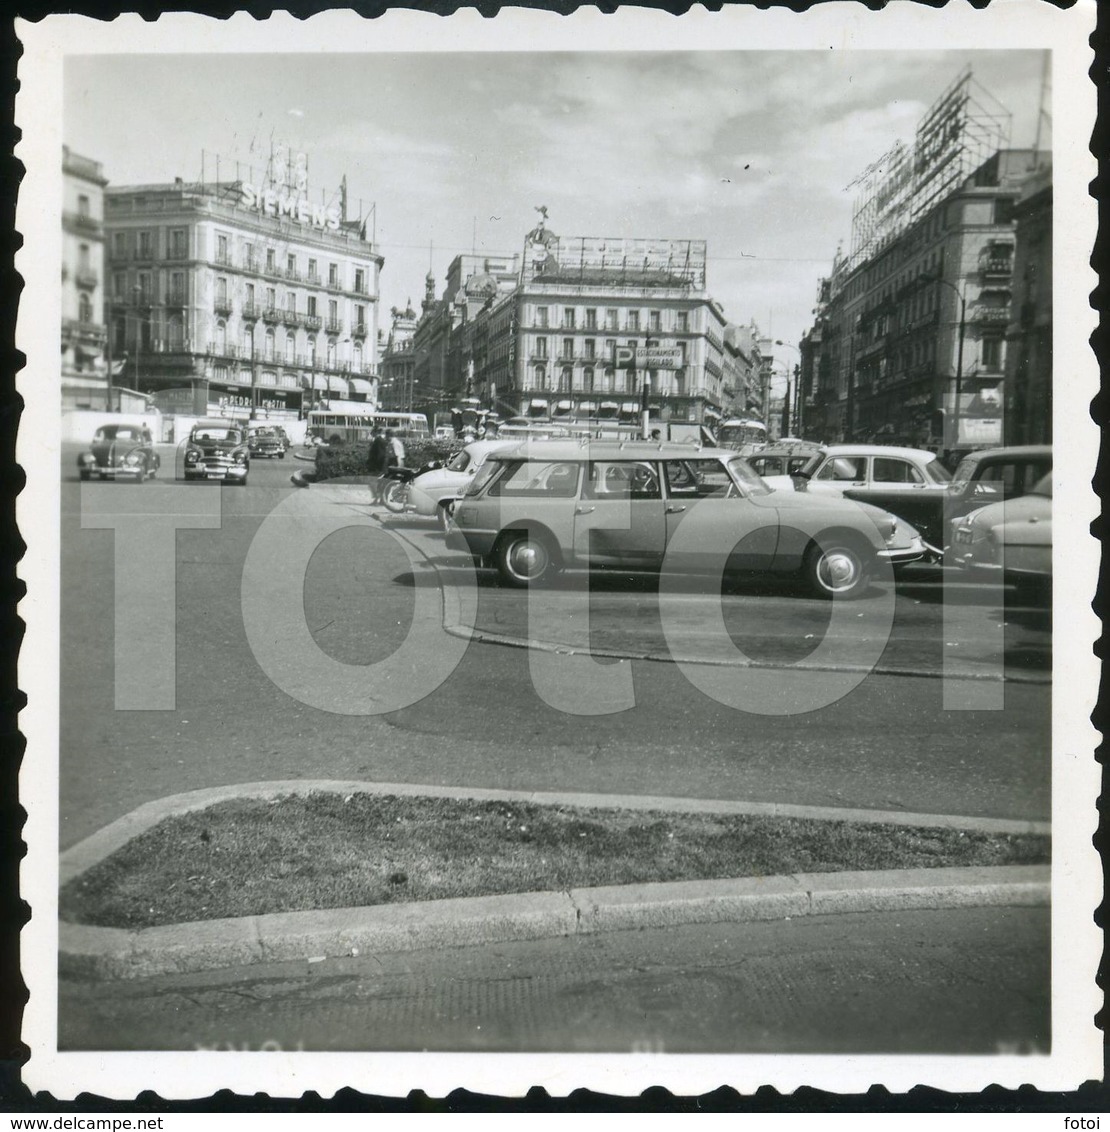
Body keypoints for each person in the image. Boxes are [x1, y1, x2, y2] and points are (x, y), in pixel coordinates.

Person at [366, 428, 390, 504]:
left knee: (373, 482)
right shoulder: (379, 440)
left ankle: (377, 499)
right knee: (378, 483)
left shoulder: (378, 441)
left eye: (372, 432)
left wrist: (377, 466)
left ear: (376, 432)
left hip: (377, 466)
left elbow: (380, 455)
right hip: (379, 466)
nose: (371, 433)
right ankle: (379, 500)